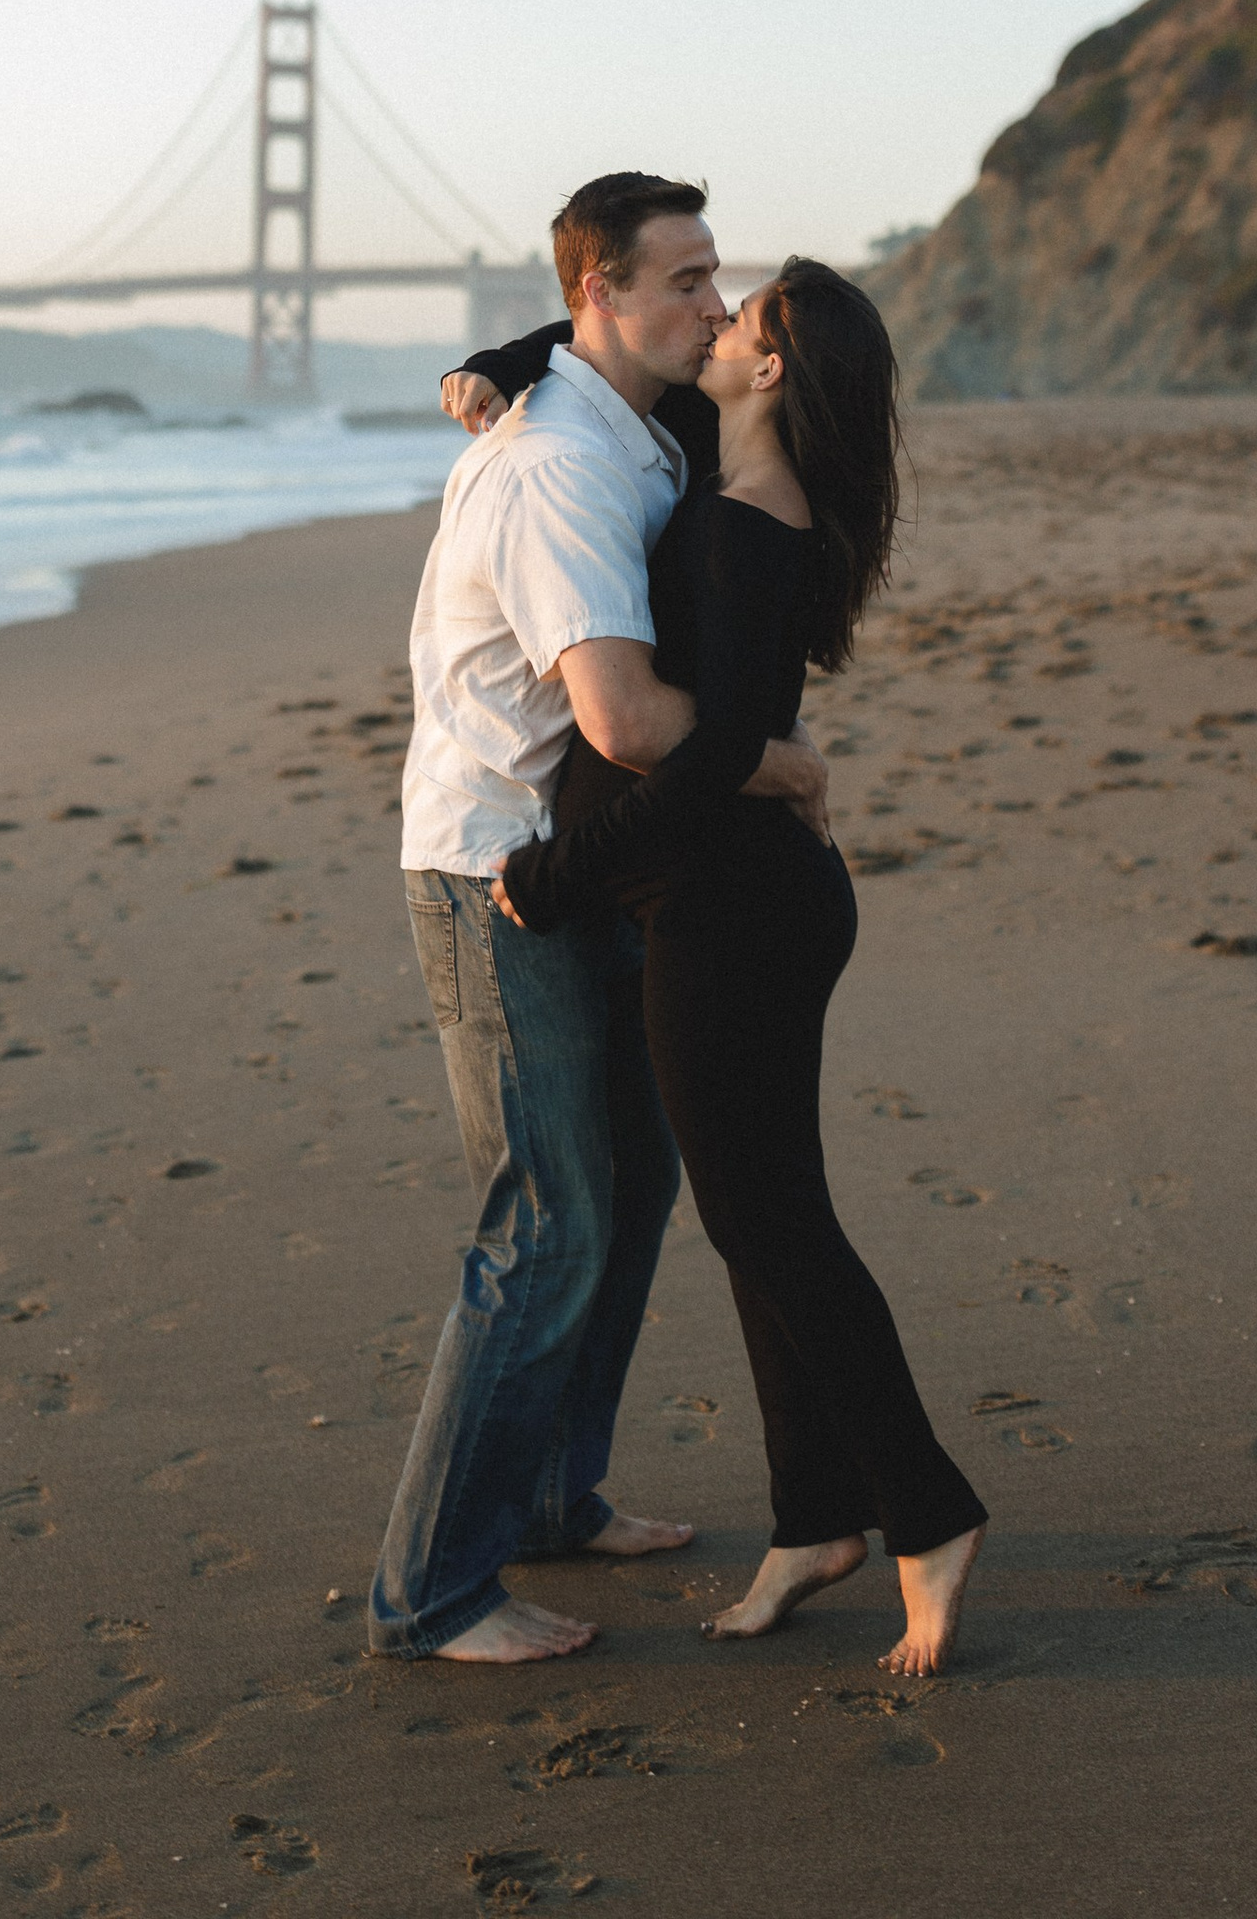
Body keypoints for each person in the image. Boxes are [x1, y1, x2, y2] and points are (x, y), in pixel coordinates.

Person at [488, 263, 988, 1679]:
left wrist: (555, 875)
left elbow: (704, 754)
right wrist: (503, 355)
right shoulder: (749, 486)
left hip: (732, 914)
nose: (714, 318)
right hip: (755, 902)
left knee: (775, 1229)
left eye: (743, 312)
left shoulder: (731, 532)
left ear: (769, 370)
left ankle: (926, 1514)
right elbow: (605, 342)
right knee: (757, 1215)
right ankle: (812, 1523)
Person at [367, 173, 831, 1664]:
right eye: (686, 280)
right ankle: (435, 1589)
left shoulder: (646, 423)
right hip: (500, 871)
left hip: (593, 859)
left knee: (628, 1197)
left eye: (717, 277)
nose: (714, 303)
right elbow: (625, 720)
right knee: (546, 1225)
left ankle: (555, 1496)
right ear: (602, 297)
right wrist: (771, 759)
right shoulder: (563, 465)